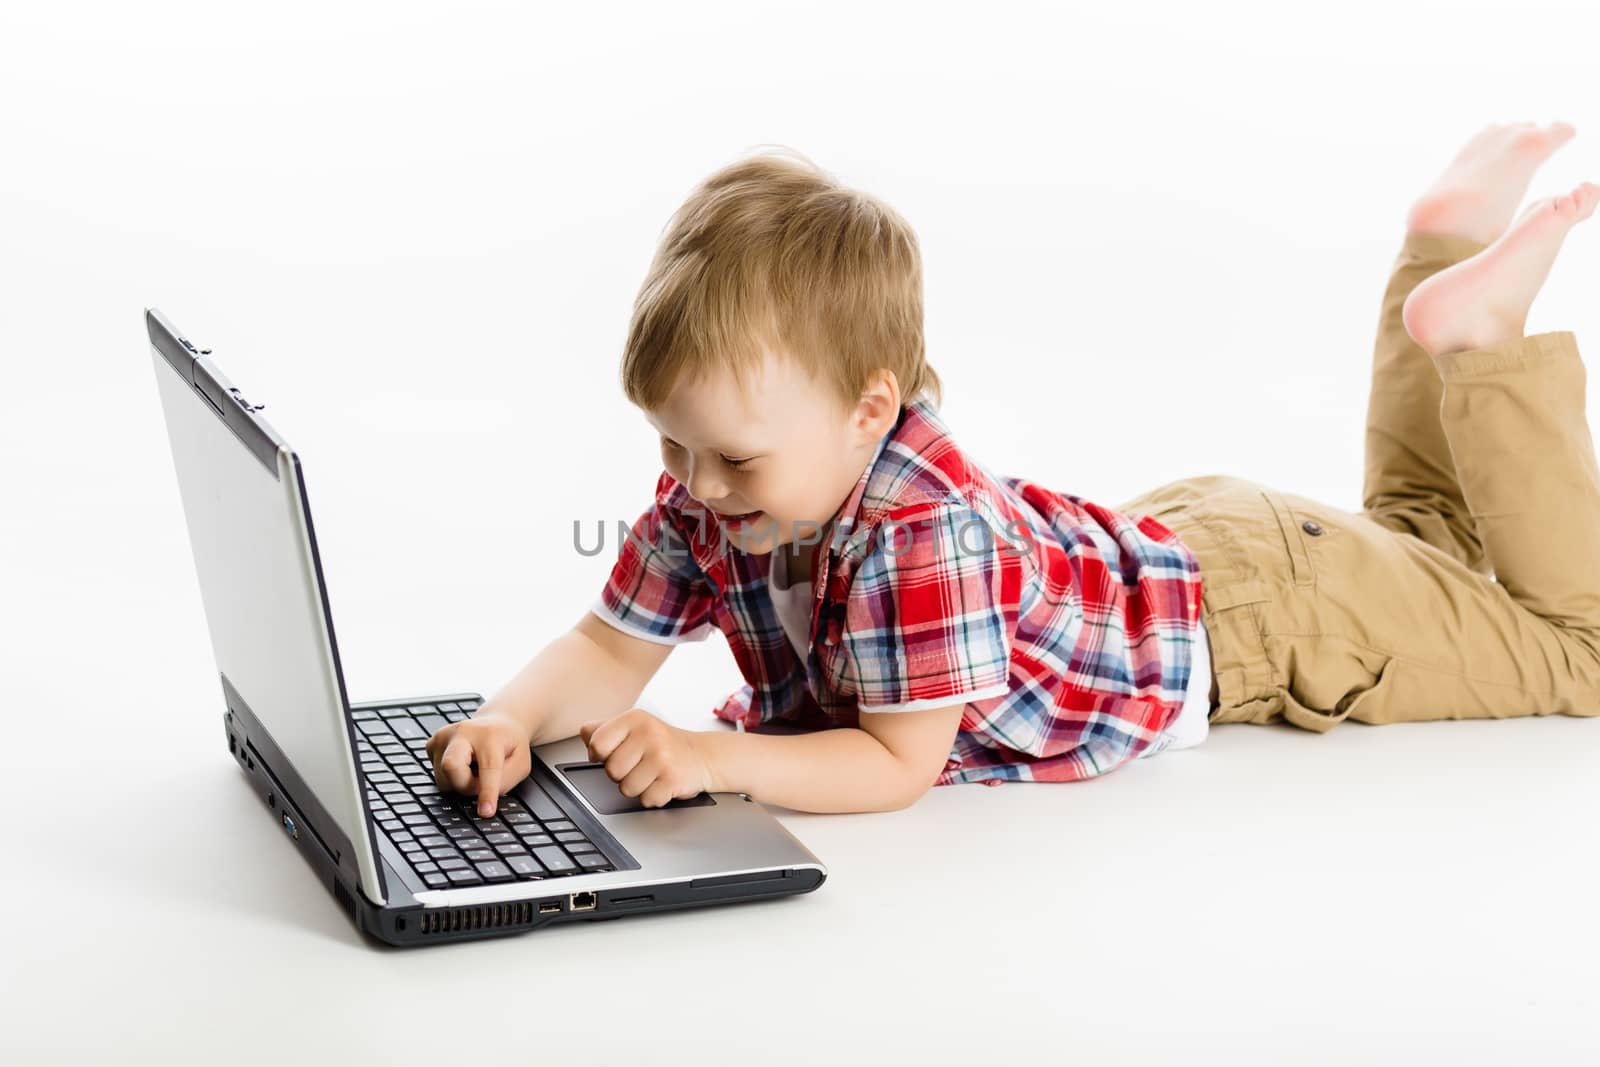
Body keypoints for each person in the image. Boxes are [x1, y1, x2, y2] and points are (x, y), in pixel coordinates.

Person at [426, 123, 1600, 818]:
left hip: (1268, 623)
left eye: (730, 455)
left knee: (1579, 650)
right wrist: (511, 715)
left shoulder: (914, 531)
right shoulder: (718, 487)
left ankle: (1483, 338)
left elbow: (897, 761)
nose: (695, 484)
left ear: (867, 408)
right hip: (1199, 548)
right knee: (1424, 542)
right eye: (670, 445)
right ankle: (1444, 253)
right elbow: (606, 648)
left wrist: (708, 757)